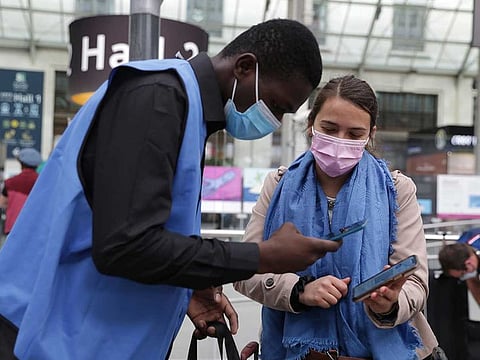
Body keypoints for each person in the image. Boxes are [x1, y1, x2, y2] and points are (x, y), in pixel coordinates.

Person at [0, 19, 343, 360]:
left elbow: (140, 229)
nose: (274, 121)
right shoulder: (158, 98)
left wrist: (186, 284)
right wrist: (263, 256)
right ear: (244, 67)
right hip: (42, 334)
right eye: (277, 106)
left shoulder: (188, 112)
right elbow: (126, 245)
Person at [234, 75, 439, 359]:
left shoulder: (397, 190)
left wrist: (389, 304)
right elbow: (245, 270)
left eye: (355, 134)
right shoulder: (277, 185)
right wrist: (299, 291)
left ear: (371, 134)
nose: (340, 141)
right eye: (329, 129)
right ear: (311, 125)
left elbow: (415, 281)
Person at [0, 147, 41, 235]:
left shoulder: (10, 183)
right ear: (37, 165)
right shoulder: (42, 182)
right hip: (35, 228)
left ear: (21, 163)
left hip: (13, 228)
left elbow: (2, 203)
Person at [438, 228, 480, 304]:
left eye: (463, 274)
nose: (463, 277)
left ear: (469, 263)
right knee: (471, 279)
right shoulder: (459, 246)